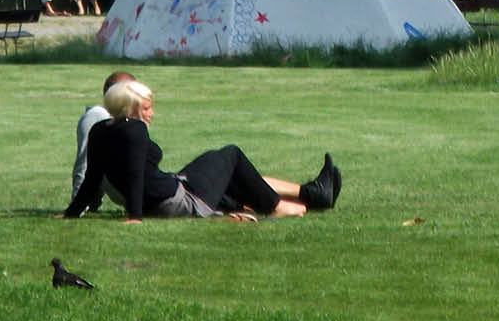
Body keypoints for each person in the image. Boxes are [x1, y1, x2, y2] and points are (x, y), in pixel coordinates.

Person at [62, 78, 341, 222]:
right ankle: (279, 206)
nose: (151, 113)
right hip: (176, 201)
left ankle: (313, 195)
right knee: (230, 154)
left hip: (168, 194)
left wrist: (72, 212)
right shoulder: (134, 130)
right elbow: (134, 175)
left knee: (220, 166)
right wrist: (135, 216)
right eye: (146, 108)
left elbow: (93, 176)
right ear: (130, 108)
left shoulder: (101, 130)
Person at [71, 70, 136, 209]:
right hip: (136, 191)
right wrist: (78, 205)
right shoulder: (97, 115)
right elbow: (85, 162)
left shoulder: (125, 118)